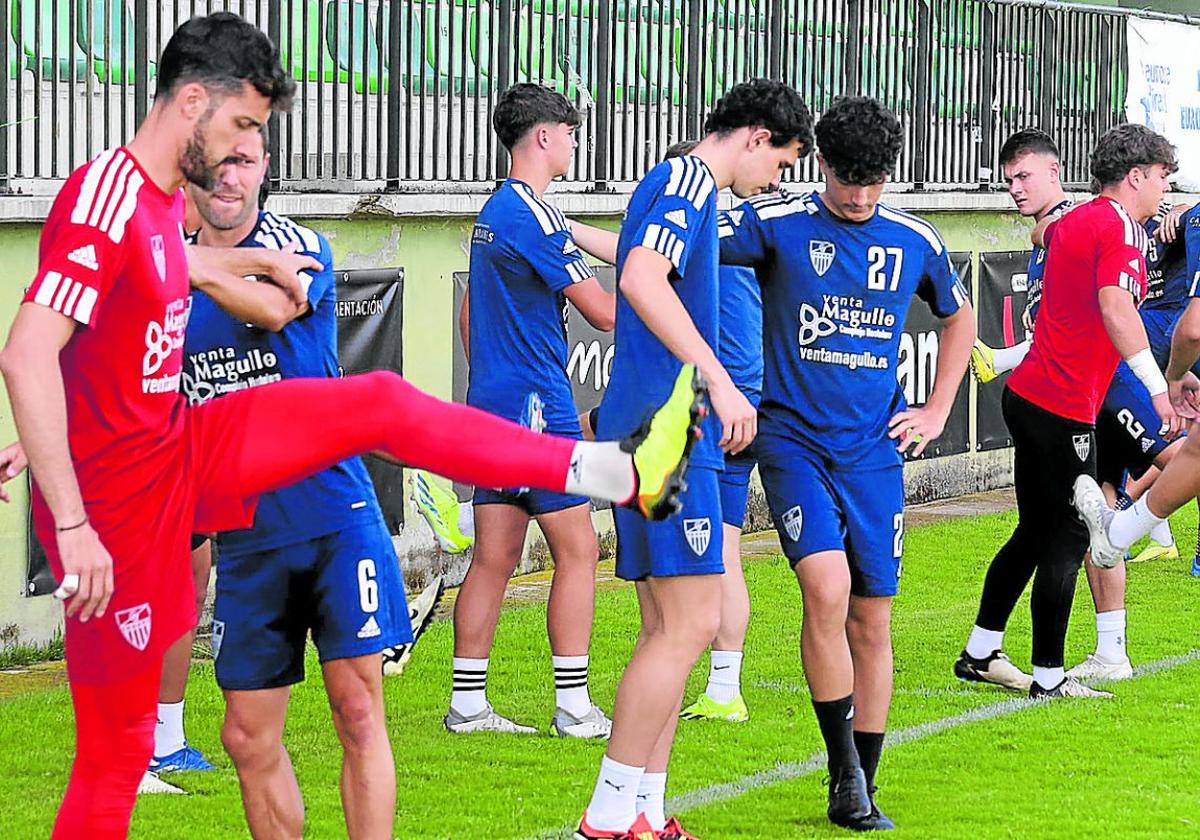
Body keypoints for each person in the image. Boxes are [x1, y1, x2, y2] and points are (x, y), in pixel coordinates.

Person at [0, 13, 702, 838]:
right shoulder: (110, 195)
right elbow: (26, 355)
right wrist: (74, 518)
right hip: (123, 500)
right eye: (243, 125)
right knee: (115, 758)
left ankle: (619, 472)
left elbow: (157, 282)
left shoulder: (159, 211)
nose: (244, 152)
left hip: (182, 450)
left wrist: (236, 266)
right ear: (193, 102)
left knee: (378, 402)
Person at [718, 96, 973, 832]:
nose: (860, 196)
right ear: (819, 163)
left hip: (872, 454)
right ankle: (843, 774)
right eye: (847, 179)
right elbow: (669, 245)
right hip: (793, 441)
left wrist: (935, 409)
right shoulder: (776, 224)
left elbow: (958, 319)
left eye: (874, 181)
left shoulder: (913, 240)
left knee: (872, 617)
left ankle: (867, 775)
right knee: (824, 588)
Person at [573, 78, 813, 840]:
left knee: (671, 629)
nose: (775, 179)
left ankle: (643, 810)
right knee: (690, 625)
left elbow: (641, 267)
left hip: (663, 432)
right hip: (670, 438)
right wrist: (716, 377)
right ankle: (610, 815)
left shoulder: (686, 189)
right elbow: (641, 276)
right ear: (753, 137)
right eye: (780, 161)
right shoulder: (684, 178)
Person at [179, 124, 415, 837]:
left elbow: (275, 305)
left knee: (358, 705)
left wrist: (180, 264)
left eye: (244, 163)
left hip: (336, 517)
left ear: (264, 169)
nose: (230, 178)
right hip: (247, 538)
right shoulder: (155, 279)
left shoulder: (298, 244)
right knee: (246, 737)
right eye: (215, 165)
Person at [957, 123, 1183, 707]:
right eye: (1162, 177)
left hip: (1031, 395)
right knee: (1067, 536)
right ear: (1136, 176)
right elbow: (1114, 306)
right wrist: (1158, 389)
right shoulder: (1120, 227)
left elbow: (1052, 253)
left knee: (1034, 532)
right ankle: (1051, 676)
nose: (1165, 189)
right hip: (1060, 406)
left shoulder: (1076, 220)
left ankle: (982, 651)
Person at [450, 83, 617, 737]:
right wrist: (663, 303)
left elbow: (470, 314)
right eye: (570, 132)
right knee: (579, 553)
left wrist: (499, 372)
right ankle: (574, 708)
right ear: (544, 136)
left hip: (492, 404)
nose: (575, 143)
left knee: (494, 556)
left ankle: (468, 705)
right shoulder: (536, 216)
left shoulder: (498, 210)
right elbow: (602, 314)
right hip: (538, 408)